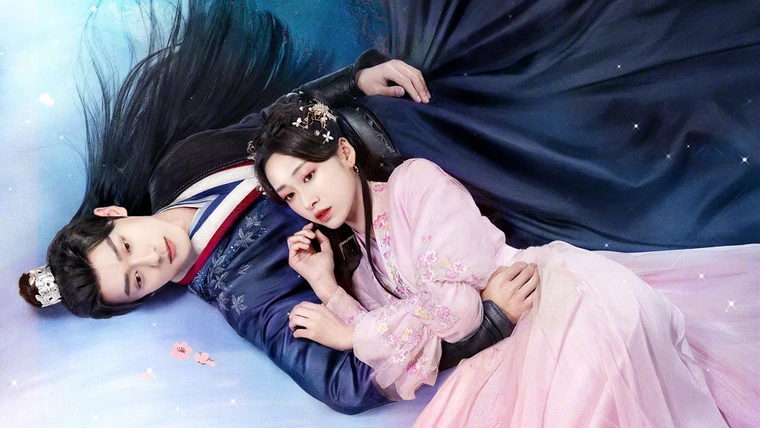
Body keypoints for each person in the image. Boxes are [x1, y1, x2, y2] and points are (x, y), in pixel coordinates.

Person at [18, 0, 517, 414]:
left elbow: (267, 121)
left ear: (113, 215)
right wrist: (489, 322)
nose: (152, 257)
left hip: (390, 112)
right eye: (137, 281)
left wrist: (355, 80)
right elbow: (343, 385)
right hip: (435, 187)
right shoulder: (244, 295)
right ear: (141, 298)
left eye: (127, 247)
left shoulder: (173, 170)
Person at [252, 92, 759, 426]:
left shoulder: (415, 183)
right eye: (290, 194)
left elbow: (457, 314)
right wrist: (327, 287)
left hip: (553, 297)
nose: (306, 199)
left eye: (309, 175)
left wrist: (351, 334)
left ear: (344, 153)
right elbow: (396, 361)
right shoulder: (362, 268)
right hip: (504, 344)